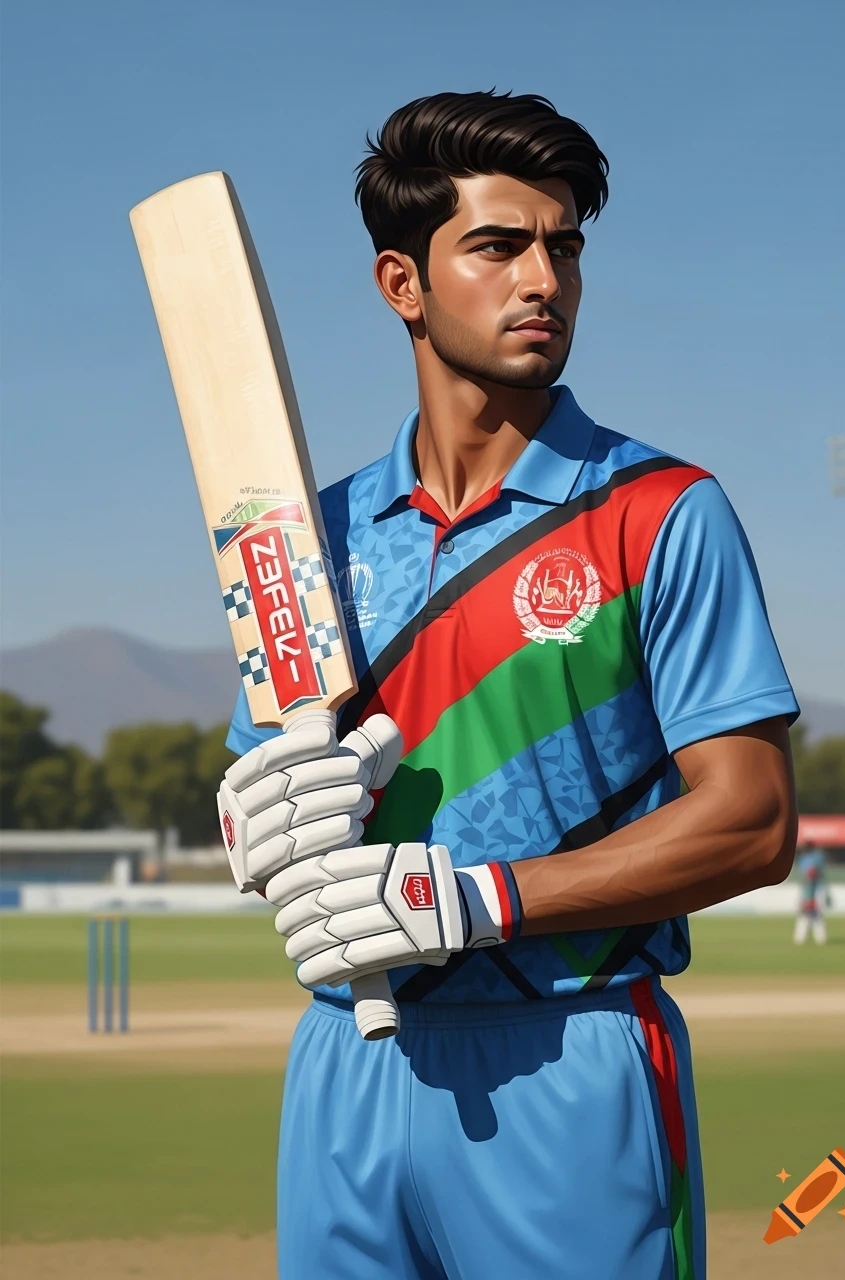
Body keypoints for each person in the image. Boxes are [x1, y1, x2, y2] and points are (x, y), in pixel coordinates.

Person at [222, 91, 800, 1280]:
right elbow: (271, 783)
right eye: (497, 246)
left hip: (567, 1055)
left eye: (563, 248)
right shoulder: (307, 537)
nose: (543, 280)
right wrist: (251, 825)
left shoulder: (660, 512)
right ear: (402, 283)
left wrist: (477, 900)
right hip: (347, 1060)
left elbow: (750, 820)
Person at [793, 840, 831, 944]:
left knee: (812, 915)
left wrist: (809, 896)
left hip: (814, 890)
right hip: (807, 889)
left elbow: (812, 874)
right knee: (807, 915)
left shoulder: (815, 858)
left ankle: (816, 939)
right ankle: (804, 939)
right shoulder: (805, 858)